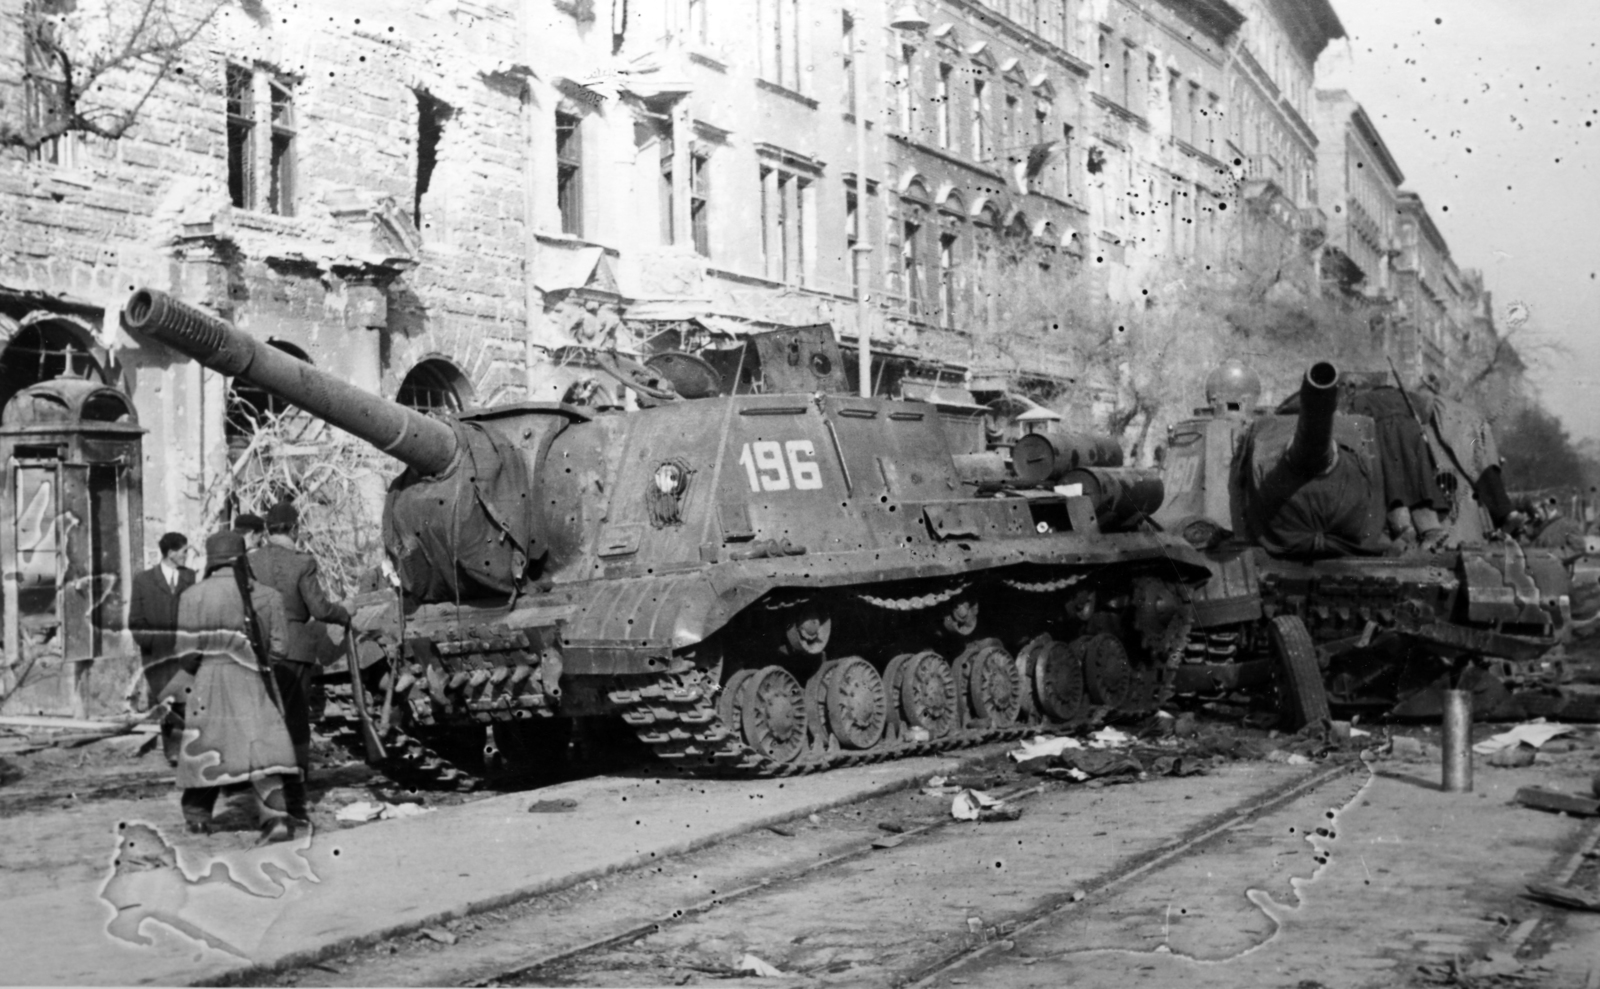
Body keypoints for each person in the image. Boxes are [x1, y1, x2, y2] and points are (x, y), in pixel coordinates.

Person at [174, 530, 297, 841]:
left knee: (206, 747)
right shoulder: (268, 595)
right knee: (262, 750)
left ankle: (197, 818)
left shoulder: (192, 596)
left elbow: (186, 655)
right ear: (244, 558)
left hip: (209, 681)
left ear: (211, 561)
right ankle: (276, 819)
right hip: (252, 679)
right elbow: (280, 649)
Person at [249, 501, 351, 821]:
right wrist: (344, 613)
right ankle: (295, 799)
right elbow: (319, 610)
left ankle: (268, 798)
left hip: (257, 650)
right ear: (294, 530)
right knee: (294, 724)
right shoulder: (302, 562)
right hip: (294, 649)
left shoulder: (250, 561)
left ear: (267, 531)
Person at [127, 532, 197, 765]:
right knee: (165, 699)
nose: (186, 555)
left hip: (184, 652)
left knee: (185, 700)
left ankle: (184, 749)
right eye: (184, 551)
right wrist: (150, 643)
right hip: (157, 654)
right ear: (171, 553)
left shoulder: (190, 577)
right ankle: (172, 750)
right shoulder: (144, 580)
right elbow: (136, 620)